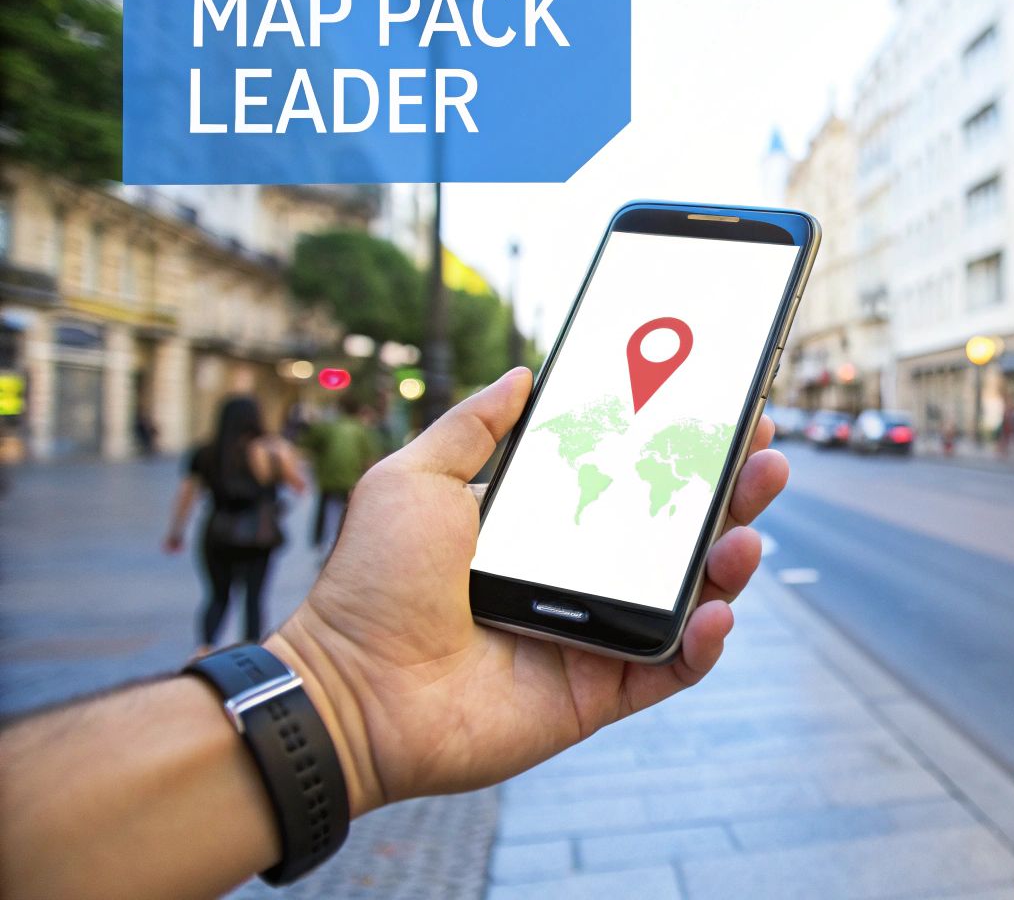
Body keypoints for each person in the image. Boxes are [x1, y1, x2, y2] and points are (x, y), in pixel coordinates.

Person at [0, 369, 788, 900]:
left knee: (222, 602)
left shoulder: (211, 450)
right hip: (262, 547)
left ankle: (215, 649)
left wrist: (342, 700)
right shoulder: (275, 454)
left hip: (218, 539)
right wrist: (338, 701)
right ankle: (231, 651)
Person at [165, 396, 308, 650]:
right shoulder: (270, 450)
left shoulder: (205, 452)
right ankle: (250, 652)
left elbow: (187, 495)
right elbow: (298, 485)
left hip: (218, 531)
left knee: (217, 596)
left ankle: (205, 648)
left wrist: (176, 532)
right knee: (254, 598)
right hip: (259, 534)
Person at [302, 395, 384, 553]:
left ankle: (318, 542)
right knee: (349, 513)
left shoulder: (328, 427)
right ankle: (345, 543)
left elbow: (308, 444)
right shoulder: (361, 429)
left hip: (328, 480)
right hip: (350, 480)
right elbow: (370, 459)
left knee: (323, 509)